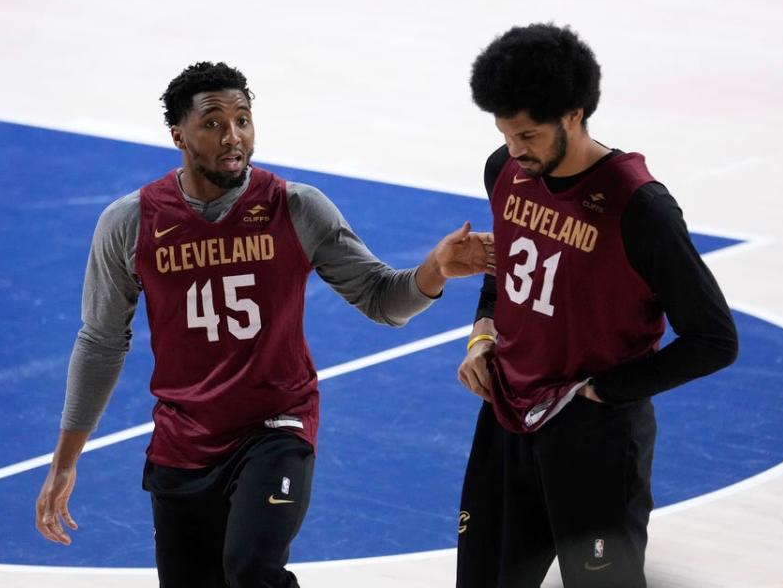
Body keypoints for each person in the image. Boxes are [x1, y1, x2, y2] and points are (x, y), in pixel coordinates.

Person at [35, 61, 492, 588]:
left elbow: (381, 299)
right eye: (213, 123)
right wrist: (65, 461)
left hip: (275, 427)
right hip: (183, 440)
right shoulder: (132, 223)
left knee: (252, 571)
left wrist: (434, 270)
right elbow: (100, 342)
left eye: (243, 119)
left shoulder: (295, 207)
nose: (233, 137)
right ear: (178, 135)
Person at [454, 24, 738, 588]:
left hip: (596, 439)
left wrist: (604, 392)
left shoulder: (640, 206)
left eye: (528, 136)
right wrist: (483, 332)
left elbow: (714, 340)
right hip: (507, 417)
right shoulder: (506, 171)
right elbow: (505, 266)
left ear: (575, 115)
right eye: (505, 134)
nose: (515, 151)